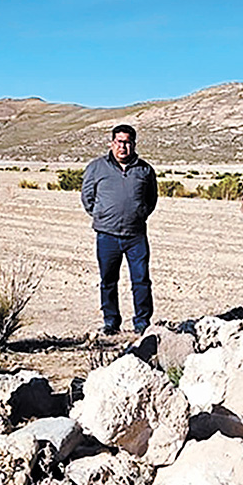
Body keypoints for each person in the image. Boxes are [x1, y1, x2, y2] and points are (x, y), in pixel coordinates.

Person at [81, 124, 158, 335]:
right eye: (119, 142)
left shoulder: (145, 170)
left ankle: (142, 323)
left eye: (127, 142)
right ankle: (111, 322)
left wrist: (140, 214)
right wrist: (101, 215)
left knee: (141, 280)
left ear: (133, 144)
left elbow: (151, 199)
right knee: (108, 280)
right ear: (111, 143)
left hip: (136, 236)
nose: (123, 146)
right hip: (107, 235)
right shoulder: (96, 167)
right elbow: (87, 197)